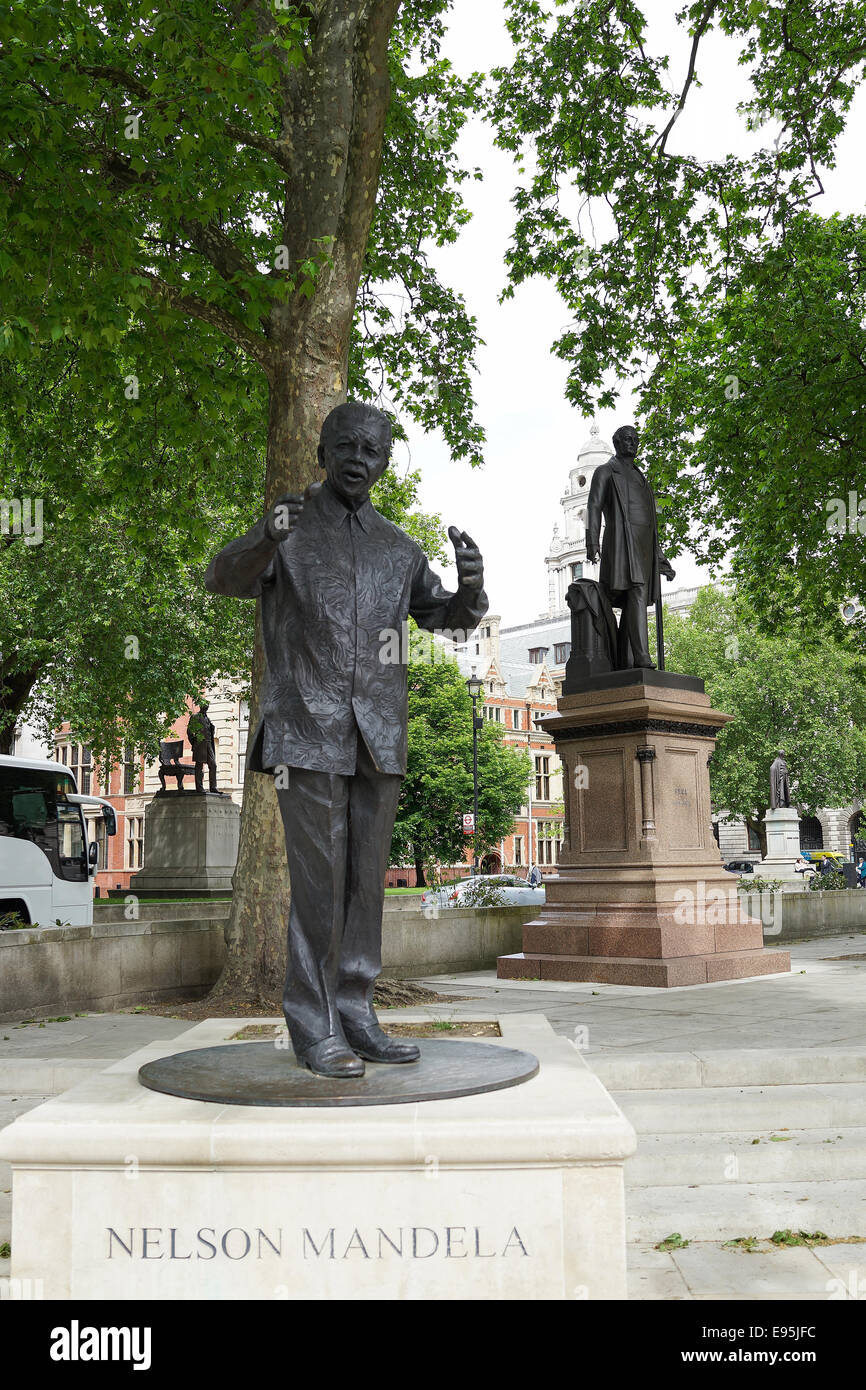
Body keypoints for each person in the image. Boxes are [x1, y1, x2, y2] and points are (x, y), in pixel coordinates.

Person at [206, 401, 488, 1079]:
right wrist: (263, 538)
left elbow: (446, 623)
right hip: (305, 729)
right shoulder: (289, 529)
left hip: (378, 735)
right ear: (322, 452)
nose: (359, 459)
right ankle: (313, 1024)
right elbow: (223, 578)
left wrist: (472, 589)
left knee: (366, 886)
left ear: (385, 463)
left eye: (373, 450)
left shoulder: (399, 548)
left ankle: (356, 1011)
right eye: (347, 446)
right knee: (318, 886)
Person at [585, 424, 676, 669]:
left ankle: (626, 660)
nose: (632, 443)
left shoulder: (640, 477)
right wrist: (592, 539)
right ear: (616, 442)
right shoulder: (605, 471)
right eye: (627, 439)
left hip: (644, 546)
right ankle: (641, 657)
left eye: (635, 439)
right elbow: (594, 506)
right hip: (621, 542)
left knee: (635, 599)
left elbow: (651, 521)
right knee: (635, 592)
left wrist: (660, 556)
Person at [187, 701, 218, 794]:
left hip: (209, 744)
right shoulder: (195, 717)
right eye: (204, 706)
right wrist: (195, 742)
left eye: (207, 706)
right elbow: (189, 731)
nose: (206, 707)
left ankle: (213, 787)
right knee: (199, 765)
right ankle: (199, 787)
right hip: (199, 744)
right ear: (201, 706)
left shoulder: (207, 719)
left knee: (213, 765)